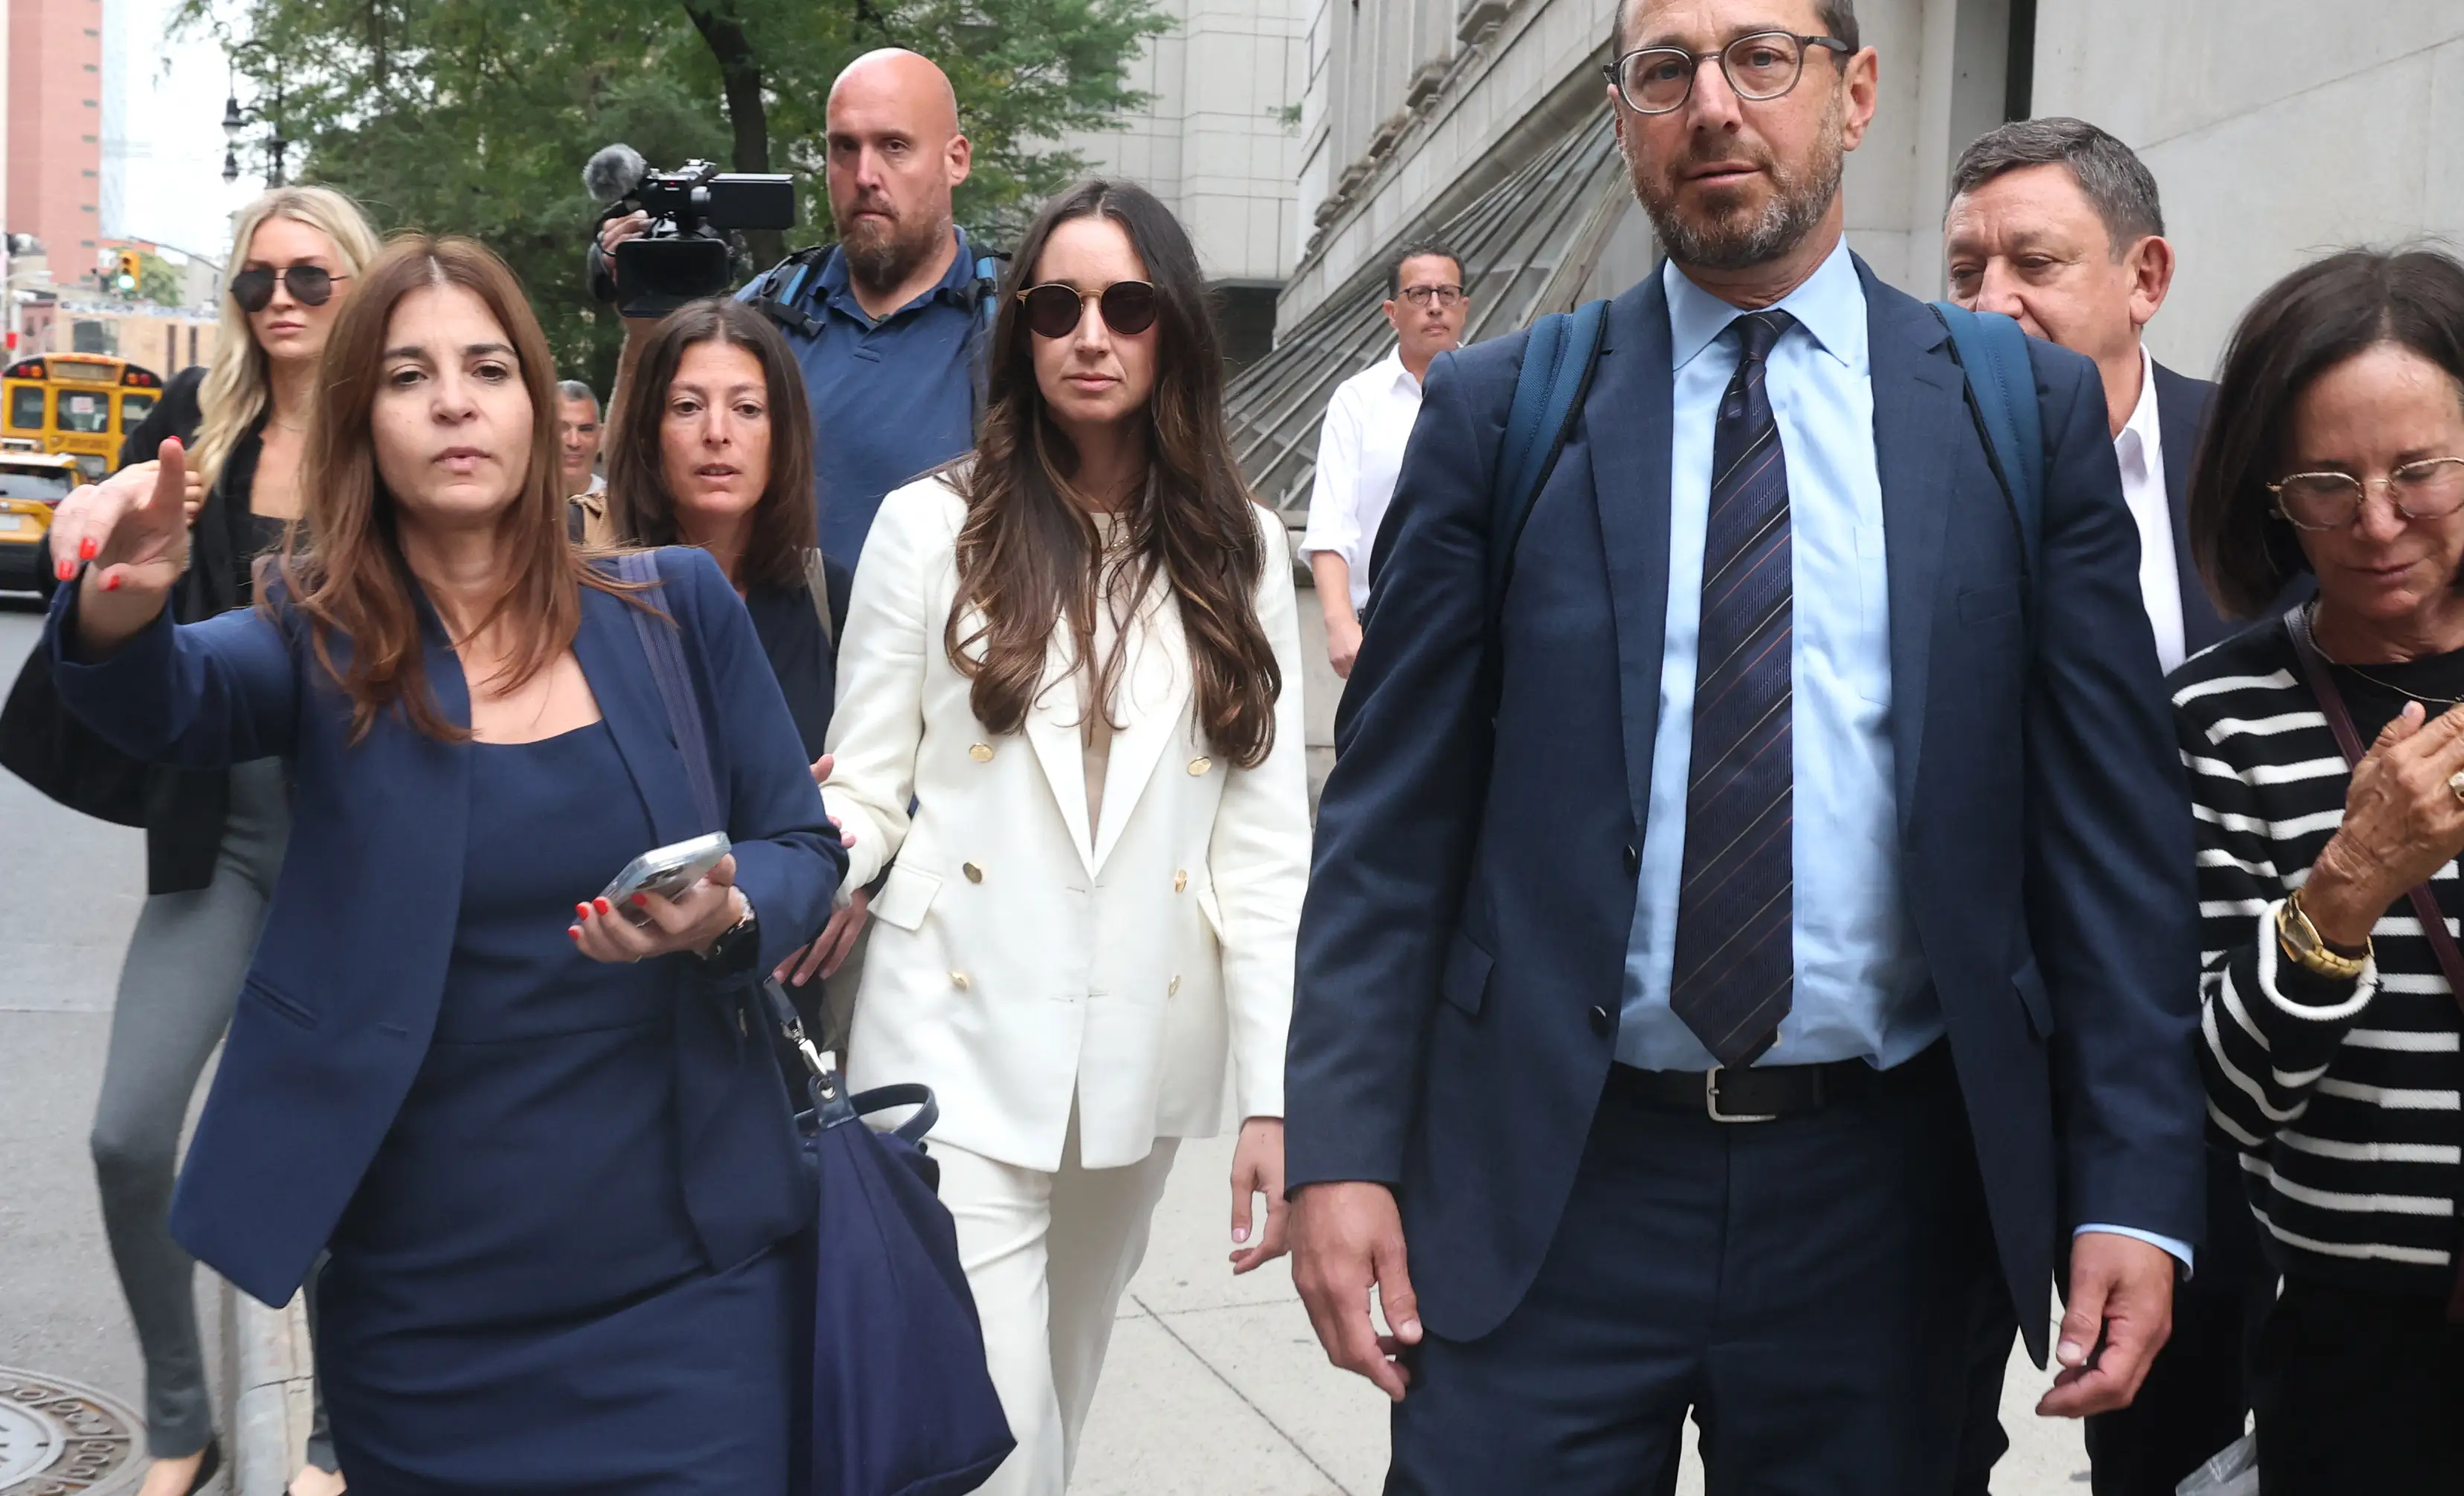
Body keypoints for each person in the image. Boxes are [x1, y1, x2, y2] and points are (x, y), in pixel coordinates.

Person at [1281, 0, 2207, 1490]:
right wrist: (1339, 1144)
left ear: (1855, 93)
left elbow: (2111, 848)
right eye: (1666, 71)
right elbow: (1390, 831)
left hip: (1891, 1208)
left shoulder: (2014, 414)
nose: (1714, 104)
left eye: (1762, 58)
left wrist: (2136, 1190)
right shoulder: (1500, 413)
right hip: (1550, 1191)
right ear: (1623, 114)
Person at [42, 234, 842, 1490]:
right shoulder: (312, 636)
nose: (455, 400)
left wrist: (729, 918)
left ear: (537, 404)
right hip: (423, 1305)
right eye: (410, 376)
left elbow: (802, 846)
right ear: (363, 423)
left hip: (693, 1285)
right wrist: (120, 599)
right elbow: (163, 702)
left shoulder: (677, 605)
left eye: (486, 367)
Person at [820, 178, 1309, 1496]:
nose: (1090, 333)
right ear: (1020, 331)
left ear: (1173, 333)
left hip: (1134, 1048)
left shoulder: (1245, 551)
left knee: (1061, 1383)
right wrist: (786, 862)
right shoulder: (930, 525)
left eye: (1127, 304)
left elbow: (1264, 851)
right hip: (948, 1028)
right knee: (995, 1428)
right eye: (1055, 305)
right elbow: (864, 784)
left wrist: (1274, 1092)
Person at [1943, 116, 2286, 1496]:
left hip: (2268, 1043)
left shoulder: (2262, 472)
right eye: (1961, 271)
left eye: (2030, 262)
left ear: (2142, 277)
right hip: (2018, 1067)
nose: (1988, 303)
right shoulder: (1907, 480)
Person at [86, 183, 379, 1496]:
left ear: (355, 286)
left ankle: (335, 1437)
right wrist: (101, 542)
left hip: (364, 843)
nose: (280, 301)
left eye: (310, 278)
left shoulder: (395, 428)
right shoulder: (195, 427)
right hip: (222, 840)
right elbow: (112, 572)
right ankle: (178, 1419)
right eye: (259, 278)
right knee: (130, 1134)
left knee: (350, 1152)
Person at [2175, 246, 2464, 1492]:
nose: (2376, 520)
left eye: (2417, 471)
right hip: (2363, 1352)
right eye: (2325, 482)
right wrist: (2346, 882)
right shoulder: (2218, 716)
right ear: (2266, 493)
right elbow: (2224, 1099)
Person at [599, 47, 993, 564]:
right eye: (844, 148)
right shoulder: (767, 309)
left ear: (955, 159)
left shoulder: (1015, 323)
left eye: (894, 146)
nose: (865, 174)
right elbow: (635, 478)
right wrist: (644, 333)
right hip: (772, 641)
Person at [598, 297, 866, 1009]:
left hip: (789, 976)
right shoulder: (590, 601)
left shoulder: (828, 596)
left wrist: (862, 869)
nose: (718, 433)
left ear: (783, 435)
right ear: (648, 432)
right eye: (687, 407)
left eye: (747, 409)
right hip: (631, 981)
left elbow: (888, 779)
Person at [1300, 242, 1470, 678]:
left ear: (1463, 307)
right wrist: (1340, 624)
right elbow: (1330, 527)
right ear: (1391, 311)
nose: (1435, 306)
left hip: (1476, 625)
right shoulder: (1357, 400)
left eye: (1446, 294)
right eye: (1419, 294)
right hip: (1383, 627)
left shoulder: (1502, 389)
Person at [557, 378, 605, 498]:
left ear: (601, 437)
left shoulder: (621, 508)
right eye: (561, 429)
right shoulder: (512, 507)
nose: (574, 442)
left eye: (586, 429)